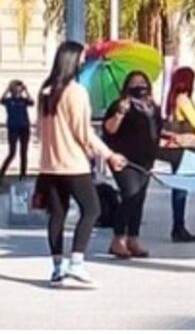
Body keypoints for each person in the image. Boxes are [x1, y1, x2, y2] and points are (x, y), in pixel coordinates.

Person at [36, 41, 127, 287]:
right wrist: (108, 154)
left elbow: (40, 130)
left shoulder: (45, 91)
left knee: (57, 214)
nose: (83, 62)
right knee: (92, 209)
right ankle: (76, 262)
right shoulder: (75, 92)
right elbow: (83, 132)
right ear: (73, 60)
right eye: (82, 58)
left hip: (48, 164)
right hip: (73, 164)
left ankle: (57, 267)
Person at [102, 71, 164, 259]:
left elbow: (157, 130)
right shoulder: (120, 105)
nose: (139, 87)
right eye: (135, 83)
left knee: (139, 198)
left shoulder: (152, 107)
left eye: (143, 82)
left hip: (145, 159)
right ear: (127, 87)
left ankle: (133, 238)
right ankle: (118, 239)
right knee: (129, 195)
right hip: (123, 159)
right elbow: (109, 129)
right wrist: (120, 113)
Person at [162, 66, 195, 243]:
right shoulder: (183, 99)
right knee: (181, 188)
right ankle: (178, 227)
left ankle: (179, 225)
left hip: (177, 148)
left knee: (180, 187)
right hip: (184, 148)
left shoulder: (173, 99)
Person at [1, 79, 34, 183]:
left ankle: (23, 174)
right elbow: (2, 100)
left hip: (24, 128)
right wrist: (8, 88)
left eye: (19, 88)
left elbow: (32, 102)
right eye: (16, 88)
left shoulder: (23, 100)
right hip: (13, 128)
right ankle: (2, 173)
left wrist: (26, 90)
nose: (17, 90)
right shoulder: (9, 101)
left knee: (23, 152)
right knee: (12, 152)